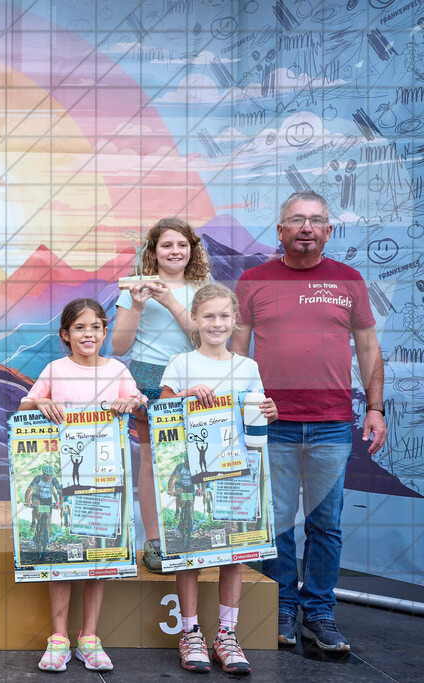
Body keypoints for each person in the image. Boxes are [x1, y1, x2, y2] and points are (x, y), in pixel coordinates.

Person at [233, 190, 386, 652]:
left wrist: (376, 407)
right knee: (274, 524)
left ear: (328, 231)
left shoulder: (349, 280)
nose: (305, 227)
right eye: (296, 220)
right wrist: (235, 411)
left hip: (331, 424)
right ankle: (278, 607)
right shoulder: (252, 281)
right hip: (269, 424)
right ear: (280, 230)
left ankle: (319, 610)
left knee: (325, 524)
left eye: (315, 220)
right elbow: (236, 354)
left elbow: (368, 347)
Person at [158, 283, 278, 674]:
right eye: (208, 316)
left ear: (235, 320)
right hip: (191, 475)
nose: (217, 323)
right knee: (189, 551)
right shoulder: (180, 363)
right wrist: (183, 397)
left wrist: (269, 411)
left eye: (224, 316)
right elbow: (160, 415)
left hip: (235, 477)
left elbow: (257, 419)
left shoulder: (248, 367)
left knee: (233, 555)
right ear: (194, 319)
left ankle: (226, 635)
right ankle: (191, 633)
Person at [19, 298, 144, 672]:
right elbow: (26, 405)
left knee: (97, 556)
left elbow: (139, 402)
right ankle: (58, 638)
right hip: (64, 478)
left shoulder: (117, 369)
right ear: (65, 335)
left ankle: (89, 637)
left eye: (95, 327)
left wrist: (131, 403)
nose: (88, 334)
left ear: (105, 332)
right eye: (79, 328)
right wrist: (40, 403)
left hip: (104, 479)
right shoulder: (55, 369)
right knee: (61, 557)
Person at [110, 218, 210, 572]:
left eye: (182, 245)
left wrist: (170, 302)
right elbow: (119, 346)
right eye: (166, 245)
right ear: (153, 251)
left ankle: (189, 534)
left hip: (193, 376)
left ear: (191, 250)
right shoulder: (134, 289)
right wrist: (137, 307)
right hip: (148, 376)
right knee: (152, 462)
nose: (175, 251)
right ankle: (154, 540)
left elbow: (205, 339)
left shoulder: (203, 289)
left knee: (193, 461)